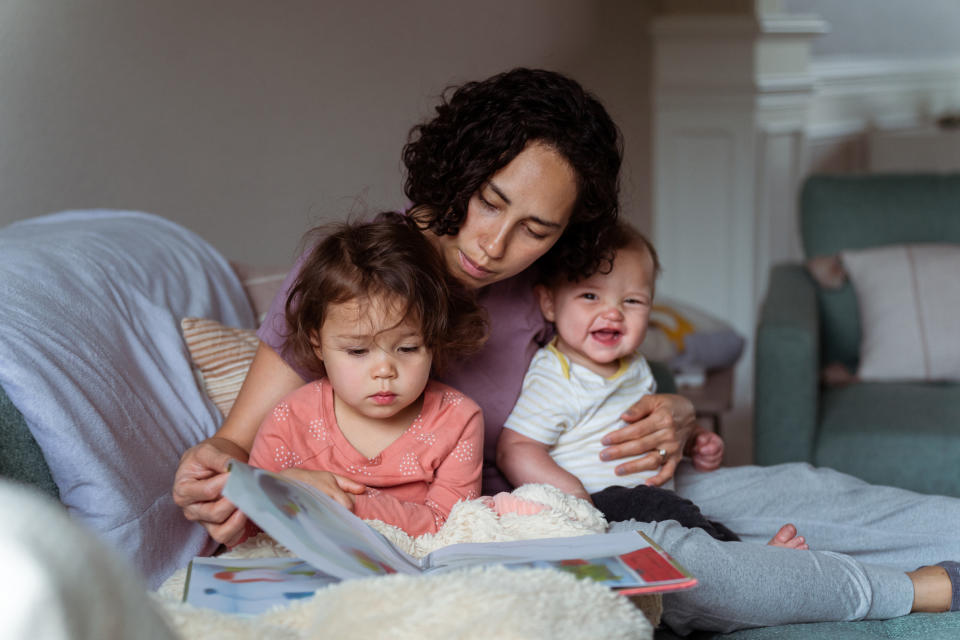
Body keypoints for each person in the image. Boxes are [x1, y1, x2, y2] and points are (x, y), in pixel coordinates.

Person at [173, 67, 960, 633]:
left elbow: (612, 351)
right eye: (490, 203)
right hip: (512, 524)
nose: (494, 245)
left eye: (537, 230)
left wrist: (676, 410)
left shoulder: (547, 285)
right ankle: (909, 590)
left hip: (597, 478)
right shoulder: (359, 272)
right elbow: (237, 448)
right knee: (679, 568)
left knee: (806, 491)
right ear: (460, 168)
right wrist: (215, 475)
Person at [496, 222, 806, 548]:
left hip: (648, 499)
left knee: (693, 519)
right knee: (671, 512)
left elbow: (653, 429)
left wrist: (695, 440)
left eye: (632, 301)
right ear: (548, 303)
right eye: (589, 296)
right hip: (600, 503)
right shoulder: (557, 375)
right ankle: (746, 564)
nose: (613, 313)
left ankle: (746, 558)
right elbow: (515, 449)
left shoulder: (636, 366)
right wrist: (574, 496)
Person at [245, 215, 488, 537]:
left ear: (434, 339)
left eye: (408, 348)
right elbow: (247, 525)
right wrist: (282, 490)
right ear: (318, 344)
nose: (385, 370)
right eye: (358, 352)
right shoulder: (291, 418)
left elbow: (456, 528)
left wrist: (343, 504)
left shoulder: (457, 420)